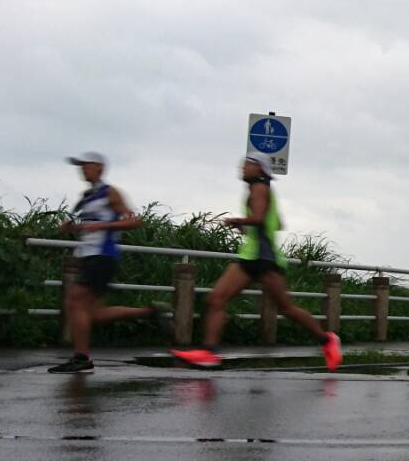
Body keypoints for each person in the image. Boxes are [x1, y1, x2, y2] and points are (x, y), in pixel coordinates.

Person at [172, 152, 342, 371]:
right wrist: (248, 225)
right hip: (251, 255)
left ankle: (327, 340)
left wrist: (237, 220)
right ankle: (208, 352)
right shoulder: (261, 190)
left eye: (246, 165)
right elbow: (277, 222)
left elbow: (261, 219)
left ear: (259, 169)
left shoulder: (260, 188)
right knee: (217, 299)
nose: (241, 168)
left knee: (285, 308)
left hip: (264, 258)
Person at [47, 152, 167, 373]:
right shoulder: (87, 197)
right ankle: (148, 312)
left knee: (75, 303)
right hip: (88, 256)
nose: (82, 169)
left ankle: (82, 359)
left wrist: (103, 227)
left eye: (87, 165)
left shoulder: (110, 193)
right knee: (92, 312)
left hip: (102, 256)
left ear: (100, 168)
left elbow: (134, 221)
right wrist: (71, 227)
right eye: (80, 166)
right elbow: (89, 224)